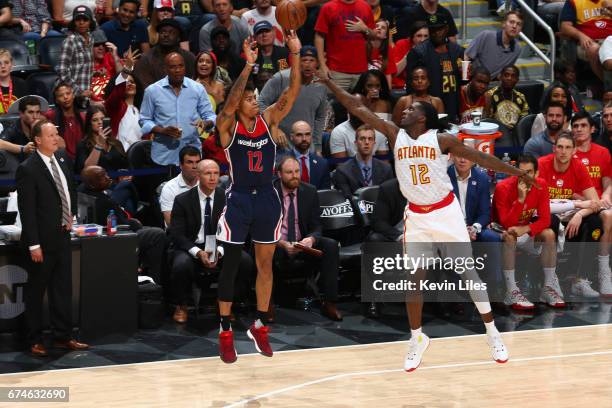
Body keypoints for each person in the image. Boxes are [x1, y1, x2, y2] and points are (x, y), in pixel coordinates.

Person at [321, 76, 531, 371]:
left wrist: (517, 173)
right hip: (417, 215)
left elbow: (480, 160)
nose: (402, 111)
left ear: (423, 118)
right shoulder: (396, 136)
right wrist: (329, 84)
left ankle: (492, 332)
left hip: (445, 213)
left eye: (409, 109)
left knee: (468, 273)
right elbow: (357, 107)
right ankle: (417, 337)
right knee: (414, 279)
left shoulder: (441, 139)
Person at [213, 33, 302, 363]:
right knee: (232, 266)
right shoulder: (228, 127)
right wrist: (249, 66)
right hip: (238, 200)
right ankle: (225, 330)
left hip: (267, 197)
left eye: (255, 98)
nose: (254, 101)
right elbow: (230, 104)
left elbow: (291, 93)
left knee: (266, 265)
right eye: (249, 98)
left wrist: (293, 56)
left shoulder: (268, 121)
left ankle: (260, 324)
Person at [16, 119, 90, 357]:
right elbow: (27, 210)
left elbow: (70, 190)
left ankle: (63, 336)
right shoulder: (28, 168)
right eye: (50, 135)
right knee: (36, 292)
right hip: (41, 241)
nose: (56, 139)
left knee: (62, 289)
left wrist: (72, 215)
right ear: (38, 140)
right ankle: (34, 339)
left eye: (56, 135)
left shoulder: (62, 159)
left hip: (63, 235)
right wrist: (33, 244)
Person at [169, 159, 254, 323]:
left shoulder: (229, 199)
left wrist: (220, 251)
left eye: (216, 173)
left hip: (222, 245)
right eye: (208, 173)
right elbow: (177, 234)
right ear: (198, 175)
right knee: (181, 264)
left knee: (245, 261)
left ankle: (226, 303)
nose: (213, 177)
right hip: (193, 247)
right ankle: (181, 304)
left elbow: (237, 230)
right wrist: (198, 252)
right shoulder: (182, 200)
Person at [272, 156, 342, 321]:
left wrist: (310, 240)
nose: (295, 175)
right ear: (279, 174)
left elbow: (317, 225)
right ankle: (266, 304)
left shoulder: (309, 191)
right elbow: (260, 228)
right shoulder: (269, 192)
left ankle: (330, 302)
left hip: (301, 244)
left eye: (297, 171)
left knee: (331, 245)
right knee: (263, 249)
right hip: (276, 245)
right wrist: (281, 243)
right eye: (289, 172)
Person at [537, 133, 606, 297]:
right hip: (546, 215)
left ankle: (580, 280)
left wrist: (580, 214)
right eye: (560, 147)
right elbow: (536, 204)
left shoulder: (578, 166)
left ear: (574, 150)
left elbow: (595, 202)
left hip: (569, 217)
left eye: (568, 147)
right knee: (551, 220)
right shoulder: (542, 165)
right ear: (554, 148)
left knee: (596, 222)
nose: (563, 151)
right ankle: (549, 281)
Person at [492, 155, 563, 309]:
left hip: (523, 229)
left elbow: (545, 220)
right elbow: (506, 223)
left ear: (536, 173)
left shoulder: (541, 185)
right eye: (520, 172)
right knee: (510, 235)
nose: (524, 177)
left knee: (549, 234)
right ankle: (511, 291)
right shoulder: (502, 187)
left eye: (529, 172)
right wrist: (521, 200)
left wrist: (526, 228)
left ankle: (547, 288)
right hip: (500, 231)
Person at [79, 165, 167, 284]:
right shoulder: (103, 202)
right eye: (102, 177)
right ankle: (155, 281)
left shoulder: (83, 190)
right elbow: (121, 224)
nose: (108, 177)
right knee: (158, 234)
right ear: (93, 184)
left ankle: (143, 271)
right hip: (117, 239)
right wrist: (134, 223)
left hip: (109, 233)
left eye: (106, 174)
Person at [140, 52, 216, 167]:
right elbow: (144, 120)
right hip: (163, 155)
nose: (177, 70)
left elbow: (210, 116)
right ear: (165, 69)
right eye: (173, 67)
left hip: (192, 155)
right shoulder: (152, 91)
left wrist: (206, 123)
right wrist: (162, 130)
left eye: (181, 66)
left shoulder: (197, 89)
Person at [570, 111, 612, 296]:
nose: (579, 129)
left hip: (602, 201)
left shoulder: (602, 152)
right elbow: (567, 188)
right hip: (579, 203)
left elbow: (608, 182)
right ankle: (603, 273)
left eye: (583, 126)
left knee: (608, 214)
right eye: (575, 126)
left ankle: (604, 272)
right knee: (608, 217)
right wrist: (589, 202)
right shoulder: (569, 152)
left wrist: (607, 196)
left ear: (592, 129)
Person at [258, 46, 328, 152]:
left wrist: (317, 146)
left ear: (317, 63)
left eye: (311, 60)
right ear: (297, 62)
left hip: (306, 146)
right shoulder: (281, 78)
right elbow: (261, 103)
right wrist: (274, 127)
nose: (308, 64)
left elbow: (320, 117)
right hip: (280, 145)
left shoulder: (320, 86)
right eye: (304, 60)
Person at [404, 13, 463, 122]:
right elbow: (410, 87)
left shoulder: (457, 51)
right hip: (428, 110)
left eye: (439, 29)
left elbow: (463, 82)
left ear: (446, 29)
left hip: (453, 107)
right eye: (432, 30)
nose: (436, 33)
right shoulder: (418, 52)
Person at [314, 0, 376, 91]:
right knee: (333, 104)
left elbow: (373, 36)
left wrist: (365, 29)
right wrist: (322, 65)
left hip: (361, 72)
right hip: (335, 71)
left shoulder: (365, 6)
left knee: (361, 104)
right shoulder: (328, 7)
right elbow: (319, 37)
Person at [332, 124, 393, 197]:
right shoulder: (343, 171)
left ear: (374, 143)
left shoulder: (386, 169)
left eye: (370, 139)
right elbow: (346, 199)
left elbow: (389, 197)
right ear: (356, 143)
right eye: (362, 139)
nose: (367, 142)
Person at [133, 18, 196, 89]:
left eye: (171, 32)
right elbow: (144, 87)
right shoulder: (146, 58)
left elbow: (194, 83)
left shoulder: (189, 58)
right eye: (162, 32)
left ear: (178, 37)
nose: (166, 35)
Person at [104, 47, 143, 151]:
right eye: (126, 82)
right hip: (120, 156)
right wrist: (126, 70)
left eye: (132, 82)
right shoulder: (115, 107)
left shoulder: (140, 111)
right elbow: (117, 92)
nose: (129, 84)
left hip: (138, 157)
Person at [464, 11, 523, 80]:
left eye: (518, 24)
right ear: (503, 24)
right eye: (511, 22)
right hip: (473, 80)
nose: (514, 26)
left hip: (491, 84)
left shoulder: (517, 48)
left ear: (521, 28)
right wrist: (465, 80)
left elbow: (501, 73)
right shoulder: (486, 35)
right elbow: (466, 57)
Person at [560, 0, 611, 79]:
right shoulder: (573, 1)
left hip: (610, 40)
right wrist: (581, 36)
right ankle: (608, 86)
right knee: (593, 49)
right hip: (589, 42)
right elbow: (565, 27)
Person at [58, 5, 95, 98]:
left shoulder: (91, 39)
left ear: (90, 22)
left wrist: (95, 72)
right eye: (78, 20)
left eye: (85, 20)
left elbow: (82, 67)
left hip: (87, 92)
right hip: (72, 95)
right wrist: (78, 91)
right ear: (74, 22)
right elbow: (62, 72)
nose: (81, 23)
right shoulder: (69, 41)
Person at [159, 146, 202, 226]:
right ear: (181, 165)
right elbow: (171, 222)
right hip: (179, 234)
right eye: (190, 162)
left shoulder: (205, 184)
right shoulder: (169, 188)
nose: (195, 166)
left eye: (197, 162)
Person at [283, 120, 331, 190]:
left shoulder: (322, 164)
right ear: (291, 137)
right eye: (299, 135)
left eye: (307, 134)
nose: (304, 139)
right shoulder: (282, 162)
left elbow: (325, 194)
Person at [44, 82, 86, 160]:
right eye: (61, 95)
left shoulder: (82, 117)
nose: (65, 97)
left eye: (68, 93)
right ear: (56, 100)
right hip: (60, 159)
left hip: (81, 159)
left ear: (73, 95)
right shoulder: (50, 116)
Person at [484, 65, 529, 132]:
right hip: (497, 133)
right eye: (506, 75)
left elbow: (524, 121)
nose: (509, 78)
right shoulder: (490, 95)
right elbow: (487, 121)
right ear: (500, 77)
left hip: (516, 134)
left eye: (513, 76)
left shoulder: (520, 97)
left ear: (517, 80)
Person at [0, 96, 46, 161]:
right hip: (20, 166)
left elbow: (61, 146)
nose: (35, 116)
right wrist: (23, 149)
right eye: (31, 112)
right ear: (21, 114)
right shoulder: (14, 129)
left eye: (37, 112)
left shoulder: (44, 125)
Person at [392, 21, 428, 91]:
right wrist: (409, 54)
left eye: (426, 36)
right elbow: (395, 73)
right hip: (402, 87)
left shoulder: (431, 48)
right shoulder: (402, 44)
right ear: (412, 37)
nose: (422, 40)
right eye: (419, 36)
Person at [90, 29, 122, 103]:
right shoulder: (85, 62)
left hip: (112, 101)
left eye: (104, 45)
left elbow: (123, 77)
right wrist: (94, 74)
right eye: (96, 45)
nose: (101, 48)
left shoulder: (110, 57)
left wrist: (115, 55)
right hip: (93, 104)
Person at [367, 19, 396, 88]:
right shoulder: (363, 45)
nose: (379, 28)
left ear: (385, 36)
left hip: (379, 86)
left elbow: (388, 75)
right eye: (376, 26)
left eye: (383, 28)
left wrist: (388, 94)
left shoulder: (388, 49)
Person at [0, 49, 28, 115]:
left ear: (12, 64)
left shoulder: (21, 84)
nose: (3, 66)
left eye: (6, 62)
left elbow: (27, 110)